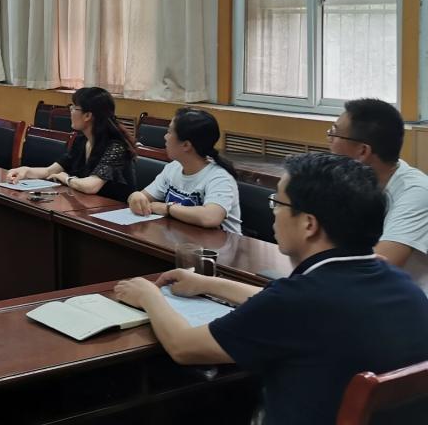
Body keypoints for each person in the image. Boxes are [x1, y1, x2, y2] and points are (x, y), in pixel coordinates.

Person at [114, 153, 428, 425]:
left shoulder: (295, 301)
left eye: (277, 203)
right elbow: (290, 305)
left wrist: (149, 295)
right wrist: (209, 283)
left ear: (309, 224)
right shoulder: (404, 286)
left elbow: (183, 347)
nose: (273, 213)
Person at [327, 98, 428, 267]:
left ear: (363, 151)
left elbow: (378, 268)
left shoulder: (417, 193)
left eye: (334, 133)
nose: (329, 139)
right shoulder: (351, 182)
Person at [126, 108, 242, 234]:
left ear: (186, 145)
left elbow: (210, 217)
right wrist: (136, 196)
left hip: (221, 244)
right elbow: (144, 197)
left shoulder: (220, 177)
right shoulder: (173, 168)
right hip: (184, 239)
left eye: (169, 132)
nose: (165, 137)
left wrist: (167, 208)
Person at [7, 87, 134, 201]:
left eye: (74, 108)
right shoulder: (81, 140)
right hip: (88, 205)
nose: (70, 111)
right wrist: (25, 170)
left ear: (88, 115)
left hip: (113, 210)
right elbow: (49, 171)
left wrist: (67, 179)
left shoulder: (116, 147)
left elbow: (91, 186)